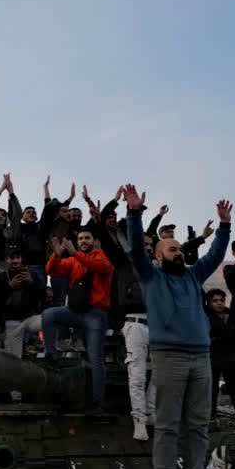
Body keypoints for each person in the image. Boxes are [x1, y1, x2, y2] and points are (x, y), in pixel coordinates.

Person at [123, 184, 231, 469]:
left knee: (199, 421)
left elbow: (214, 255)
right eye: (171, 249)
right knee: (169, 422)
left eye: (180, 249)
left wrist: (224, 226)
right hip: (169, 356)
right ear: (157, 256)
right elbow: (134, 248)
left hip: (201, 357)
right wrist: (133, 213)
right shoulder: (151, 276)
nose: (178, 252)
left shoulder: (192, 275)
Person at [83, 186, 153, 440]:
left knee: (160, 373)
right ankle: (139, 420)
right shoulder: (123, 262)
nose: (144, 245)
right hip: (133, 322)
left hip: (160, 325)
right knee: (136, 373)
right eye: (141, 242)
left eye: (148, 243)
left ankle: (152, 411)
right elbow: (102, 229)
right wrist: (121, 208)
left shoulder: (158, 271)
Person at [41, 229, 115, 407]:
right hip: (74, 311)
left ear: (94, 241)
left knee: (95, 357)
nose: (83, 241)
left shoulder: (101, 257)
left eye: (87, 238)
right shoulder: (74, 260)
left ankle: (97, 400)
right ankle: (51, 354)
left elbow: (99, 267)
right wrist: (56, 255)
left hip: (96, 314)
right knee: (48, 314)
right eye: (80, 238)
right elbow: (51, 270)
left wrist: (74, 252)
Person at [203, 289, 235, 419]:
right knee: (211, 389)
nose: (219, 303)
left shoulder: (230, 315)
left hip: (230, 358)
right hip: (212, 357)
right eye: (215, 301)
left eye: (222, 300)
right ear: (209, 302)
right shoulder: (205, 316)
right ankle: (210, 415)